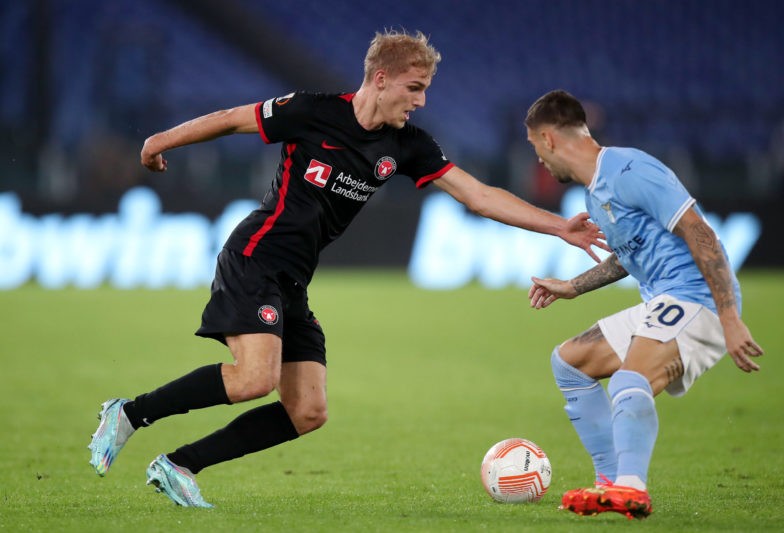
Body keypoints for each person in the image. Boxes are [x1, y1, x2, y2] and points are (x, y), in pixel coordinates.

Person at [87, 32, 607, 507]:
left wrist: (559, 226)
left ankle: (179, 465)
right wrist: (158, 142)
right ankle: (129, 414)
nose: (421, 100)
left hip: (293, 280)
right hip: (255, 257)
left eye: (425, 90)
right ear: (381, 79)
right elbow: (229, 119)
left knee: (307, 410)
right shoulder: (311, 112)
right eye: (415, 87)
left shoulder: (408, 146)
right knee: (254, 379)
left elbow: (478, 195)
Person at [524, 89, 764, 519]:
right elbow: (630, 255)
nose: (538, 160)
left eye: (535, 148)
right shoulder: (593, 193)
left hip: (697, 296)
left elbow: (699, 231)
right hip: (664, 299)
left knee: (627, 381)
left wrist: (729, 318)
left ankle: (632, 489)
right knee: (569, 362)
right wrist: (572, 287)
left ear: (548, 138)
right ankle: (610, 484)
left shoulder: (630, 169)